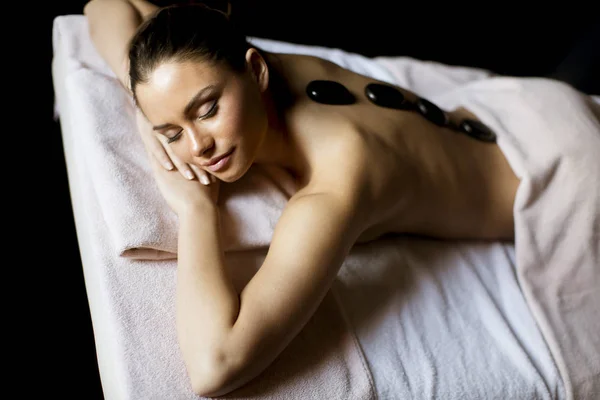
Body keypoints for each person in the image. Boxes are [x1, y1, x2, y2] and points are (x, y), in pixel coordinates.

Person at [84, 0, 521, 396]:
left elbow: (214, 365)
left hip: (546, 179)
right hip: (506, 118)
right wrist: (148, 106)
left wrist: (196, 208)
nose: (198, 147)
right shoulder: (221, 59)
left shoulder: (340, 177)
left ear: (256, 71)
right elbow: (103, 5)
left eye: (207, 110)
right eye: (173, 134)